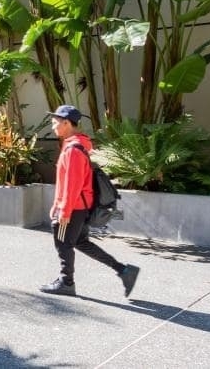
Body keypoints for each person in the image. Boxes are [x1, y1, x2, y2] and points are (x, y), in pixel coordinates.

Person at [40, 105, 139, 298]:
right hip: (80, 206)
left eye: (55, 123)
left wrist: (64, 211)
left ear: (66, 123)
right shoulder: (79, 144)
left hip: (73, 207)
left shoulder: (73, 150)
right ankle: (124, 271)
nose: (53, 127)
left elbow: (73, 185)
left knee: (63, 244)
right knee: (80, 242)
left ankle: (66, 282)